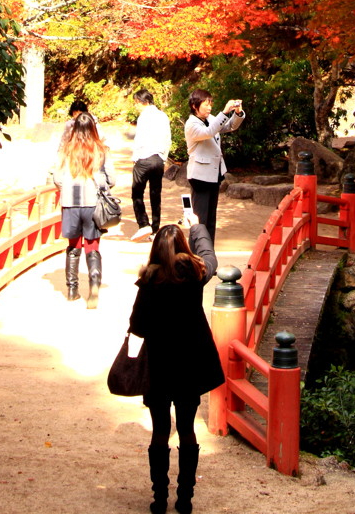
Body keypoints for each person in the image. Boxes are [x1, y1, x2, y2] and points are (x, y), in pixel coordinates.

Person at [128, 220, 224, 514]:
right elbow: (210, 257)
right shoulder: (195, 274)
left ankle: (159, 498)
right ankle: (185, 497)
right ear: (183, 247)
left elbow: (138, 326)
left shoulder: (149, 282)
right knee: (186, 429)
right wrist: (197, 227)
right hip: (189, 363)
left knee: (160, 430)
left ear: (156, 250)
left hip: (159, 365)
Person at [52, 111, 115, 307]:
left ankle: (72, 290)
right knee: (92, 245)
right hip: (92, 202)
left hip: (71, 202)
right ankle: (94, 287)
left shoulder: (66, 150)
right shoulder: (101, 150)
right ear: (93, 128)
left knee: (73, 246)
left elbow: (57, 178)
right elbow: (112, 179)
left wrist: (68, 187)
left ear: (75, 128)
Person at [184, 90, 245, 243]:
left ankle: (208, 255)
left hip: (214, 174)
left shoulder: (211, 119)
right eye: (206, 104)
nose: (209, 108)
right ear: (194, 106)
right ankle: (196, 257)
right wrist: (224, 112)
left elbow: (230, 126)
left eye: (210, 104)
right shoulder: (191, 124)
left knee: (211, 220)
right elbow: (209, 132)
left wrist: (237, 113)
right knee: (200, 221)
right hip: (199, 176)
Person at [131, 89, 172, 241]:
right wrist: (164, 158)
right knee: (155, 195)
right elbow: (168, 138)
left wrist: (135, 158)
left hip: (144, 158)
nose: (136, 106)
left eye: (137, 103)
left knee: (137, 193)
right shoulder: (163, 115)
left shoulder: (144, 117)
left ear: (145, 102)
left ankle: (143, 225)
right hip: (158, 159)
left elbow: (139, 138)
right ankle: (155, 230)